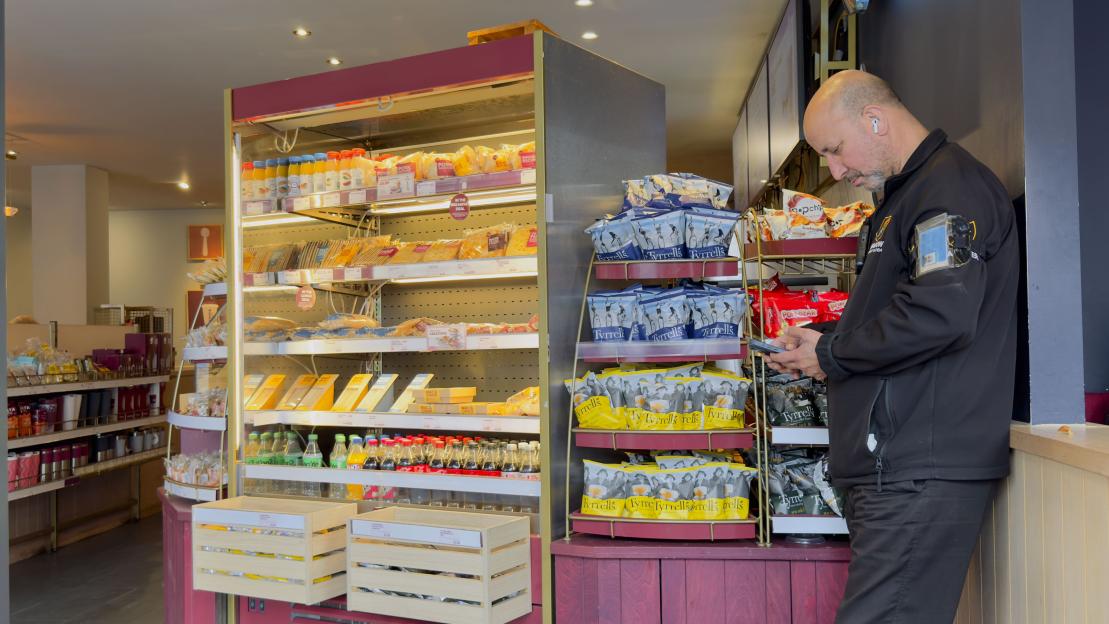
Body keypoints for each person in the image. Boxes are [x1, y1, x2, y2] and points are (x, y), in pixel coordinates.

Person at [767, 70, 1018, 623]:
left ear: (874, 119)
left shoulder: (948, 190)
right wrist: (826, 341)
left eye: (835, 151)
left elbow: (939, 314)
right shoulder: (908, 197)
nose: (836, 170)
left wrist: (830, 356)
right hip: (895, 469)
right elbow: (904, 312)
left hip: (917, 470)